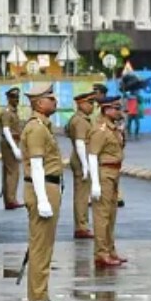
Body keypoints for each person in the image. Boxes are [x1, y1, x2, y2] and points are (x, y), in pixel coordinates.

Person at [21, 82, 65, 301]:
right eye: (51, 98)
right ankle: (37, 299)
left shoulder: (42, 126)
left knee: (44, 245)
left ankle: (41, 295)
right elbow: (36, 165)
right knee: (40, 246)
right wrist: (42, 200)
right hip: (43, 188)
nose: (55, 101)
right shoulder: (37, 128)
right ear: (39, 103)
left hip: (47, 187)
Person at [89, 95, 126, 268]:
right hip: (104, 174)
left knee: (111, 215)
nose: (119, 111)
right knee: (102, 216)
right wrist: (95, 183)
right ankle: (101, 253)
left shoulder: (113, 129)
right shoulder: (100, 130)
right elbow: (92, 155)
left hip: (114, 173)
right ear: (106, 109)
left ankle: (110, 250)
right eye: (116, 108)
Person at [67, 91, 95, 240]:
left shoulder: (79, 119)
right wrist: (85, 164)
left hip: (81, 158)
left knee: (83, 194)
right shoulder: (80, 121)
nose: (92, 106)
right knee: (82, 195)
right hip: (80, 159)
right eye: (90, 103)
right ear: (81, 104)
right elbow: (79, 143)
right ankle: (81, 226)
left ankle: (82, 224)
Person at [0, 87, 24, 210]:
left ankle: (9, 198)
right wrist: (14, 147)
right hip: (9, 142)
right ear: (8, 98)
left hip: (14, 140)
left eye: (17, 98)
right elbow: (6, 130)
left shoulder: (13, 111)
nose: (16, 100)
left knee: (9, 170)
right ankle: (11, 199)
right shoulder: (7, 112)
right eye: (14, 97)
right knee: (13, 171)